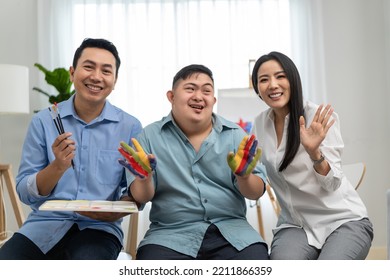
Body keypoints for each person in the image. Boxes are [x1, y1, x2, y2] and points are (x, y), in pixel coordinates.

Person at [0, 38, 142, 260]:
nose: (96, 76)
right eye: (88, 66)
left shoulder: (130, 126)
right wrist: (58, 166)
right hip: (43, 226)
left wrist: (120, 208)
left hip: (99, 231)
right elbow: (24, 193)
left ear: (114, 81)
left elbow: (134, 191)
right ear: (72, 72)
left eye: (106, 71)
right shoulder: (44, 121)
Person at [118, 64, 269, 260]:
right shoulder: (149, 136)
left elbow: (255, 192)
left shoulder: (235, 135)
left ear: (213, 100)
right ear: (171, 96)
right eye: (190, 89)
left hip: (233, 233)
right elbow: (142, 197)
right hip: (169, 236)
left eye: (206, 91)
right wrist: (144, 178)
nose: (199, 96)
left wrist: (245, 176)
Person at [250, 51, 374, 260]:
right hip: (295, 226)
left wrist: (314, 152)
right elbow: (258, 176)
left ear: (293, 79)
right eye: (264, 79)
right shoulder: (259, 124)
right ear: (258, 89)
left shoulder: (318, 117)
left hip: (342, 221)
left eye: (280, 76)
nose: (272, 84)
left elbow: (332, 184)